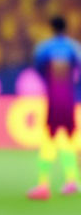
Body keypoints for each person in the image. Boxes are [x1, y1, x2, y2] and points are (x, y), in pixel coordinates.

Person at [26, 16, 81, 200]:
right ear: (66, 28)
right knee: (68, 140)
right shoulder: (74, 48)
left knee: (49, 140)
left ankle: (43, 185)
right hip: (69, 100)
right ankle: (72, 181)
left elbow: (39, 69)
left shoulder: (45, 48)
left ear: (51, 27)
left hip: (54, 100)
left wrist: (49, 83)